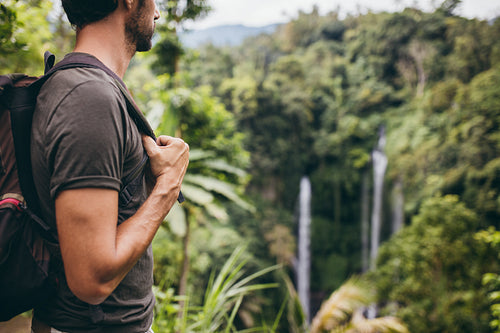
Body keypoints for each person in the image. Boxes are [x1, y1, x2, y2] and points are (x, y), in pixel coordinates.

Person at [30, 0, 189, 332]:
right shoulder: (89, 97)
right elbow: (91, 279)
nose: (157, 12)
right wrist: (168, 186)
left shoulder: (93, 86)